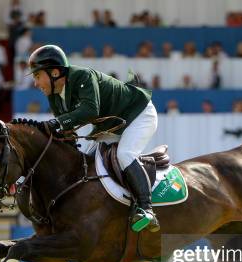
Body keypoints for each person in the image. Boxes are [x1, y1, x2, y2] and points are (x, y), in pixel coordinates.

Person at [26, 44, 159, 232]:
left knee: (125, 154)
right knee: (85, 161)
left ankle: (146, 208)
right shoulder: (54, 95)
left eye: (37, 76)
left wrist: (56, 125)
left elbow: (90, 110)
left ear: (54, 73)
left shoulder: (83, 76)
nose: (36, 83)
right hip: (112, 125)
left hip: (138, 115)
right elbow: (66, 129)